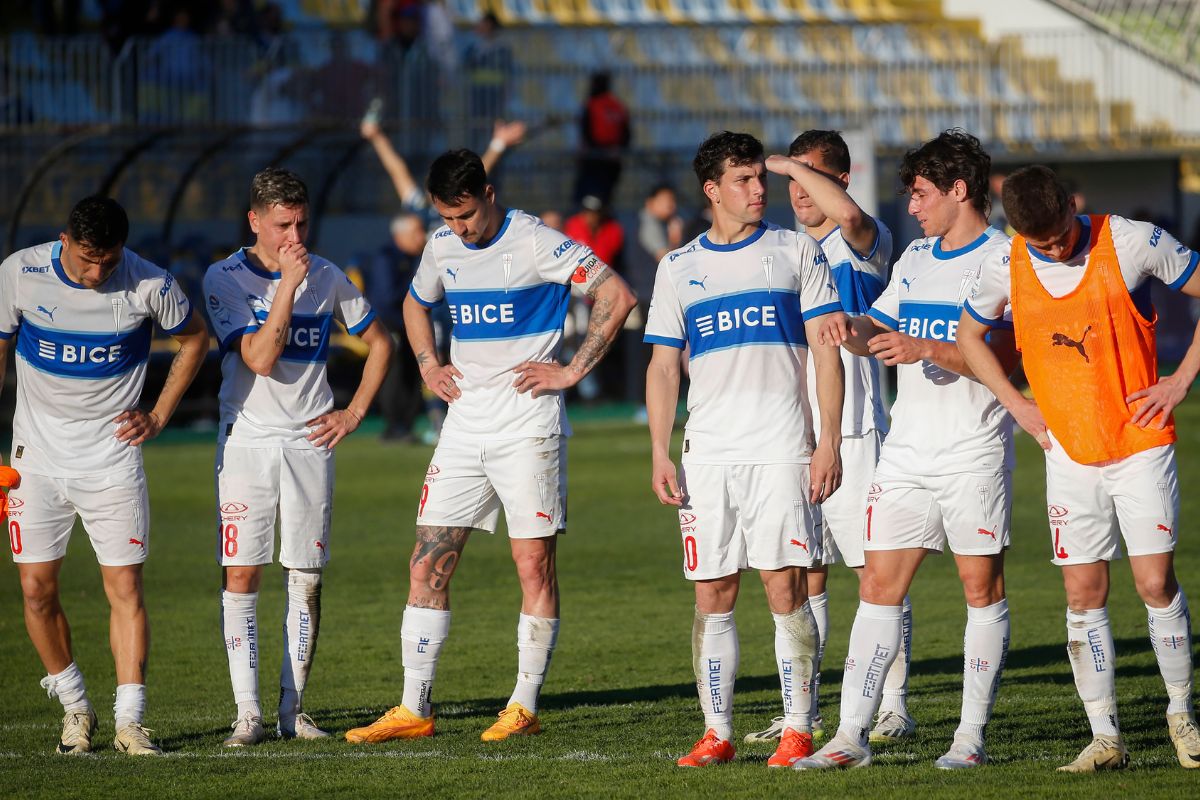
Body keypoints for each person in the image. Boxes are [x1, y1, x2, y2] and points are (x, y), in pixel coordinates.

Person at [346, 148, 636, 744]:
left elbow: (616, 295)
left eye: (467, 215)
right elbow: (414, 303)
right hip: (463, 427)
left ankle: (524, 704)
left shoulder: (535, 242)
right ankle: (413, 708)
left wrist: (571, 371)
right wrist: (428, 363)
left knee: (532, 564)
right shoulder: (441, 246)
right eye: (448, 218)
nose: (459, 228)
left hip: (528, 428)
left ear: (490, 193)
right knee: (426, 561)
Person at [957, 164, 1200, 772]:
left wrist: (1180, 380)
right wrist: (1016, 405)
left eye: (1063, 232)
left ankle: (1180, 713)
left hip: (1140, 443)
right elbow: (968, 335)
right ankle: (1106, 738)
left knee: (1153, 584)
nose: (1057, 248)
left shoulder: (1131, 240)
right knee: (1083, 593)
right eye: (1042, 243)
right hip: (1066, 453)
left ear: (1074, 202)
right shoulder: (1004, 263)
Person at [796, 129, 1016, 771]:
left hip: (974, 450)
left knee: (982, 589)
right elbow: (880, 325)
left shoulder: (1006, 260)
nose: (912, 206)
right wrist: (850, 326)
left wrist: (929, 350)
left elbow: (1011, 361)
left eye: (921, 194)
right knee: (878, 588)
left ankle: (969, 738)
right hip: (907, 453)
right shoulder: (917, 256)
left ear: (958, 190)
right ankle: (850, 737)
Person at [645, 131, 846, 768]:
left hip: (783, 448)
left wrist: (828, 440)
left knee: (784, 586)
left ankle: (797, 727)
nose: (760, 190)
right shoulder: (678, 267)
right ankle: (718, 730)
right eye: (744, 180)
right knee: (712, 592)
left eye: (761, 178)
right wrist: (660, 449)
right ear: (712, 190)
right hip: (707, 455)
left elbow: (825, 350)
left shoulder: (793, 251)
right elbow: (662, 368)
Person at [0, 196, 208, 755]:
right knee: (35, 589)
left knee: (125, 588)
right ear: (65, 240)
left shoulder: (150, 284)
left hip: (112, 460)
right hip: (35, 460)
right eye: (88, 260)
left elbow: (194, 338)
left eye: (109, 262)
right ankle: (75, 709)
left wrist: (159, 414)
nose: (98, 274)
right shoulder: (19, 272)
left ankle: (130, 722)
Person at [203, 167, 392, 747]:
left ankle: (293, 709)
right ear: (255, 220)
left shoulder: (330, 277)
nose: (295, 236)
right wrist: (286, 284)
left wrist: (354, 412)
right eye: (283, 224)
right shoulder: (225, 278)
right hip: (249, 441)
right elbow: (259, 358)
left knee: (306, 578)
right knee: (243, 573)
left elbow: (381, 342)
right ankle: (247, 714)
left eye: (302, 223)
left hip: (310, 443)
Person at [745, 130, 899, 746]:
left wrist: (784, 162)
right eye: (790, 180)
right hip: (789, 431)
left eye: (812, 177)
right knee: (803, 572)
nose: (797, 190)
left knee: (874, 572)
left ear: (839, 179)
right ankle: (801, 710)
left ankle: (893, 703)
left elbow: (851, 215)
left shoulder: (864, 239)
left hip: (855, 430)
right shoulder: (779, 251)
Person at [365, 212, 426, 442]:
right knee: (394, 374)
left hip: (409, 327)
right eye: (416, 233)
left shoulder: (416, 258)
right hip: (390, 326)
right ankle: (394, 425)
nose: (422, 238)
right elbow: (385, 297)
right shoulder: (386, 258)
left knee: (412, 373)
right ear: (401, 235)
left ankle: (407, 425)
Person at [624, 184, 683, 413]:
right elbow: (666, 259)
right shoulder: (650, 224)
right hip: (648, 296)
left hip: (647, 294)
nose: (671, 205)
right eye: (666, 200)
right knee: (651, 354)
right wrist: (675, 238)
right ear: (651, 202)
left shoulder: (651, 222)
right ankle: (645, 404)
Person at [573, 72, 630, 206]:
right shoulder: (617, 106)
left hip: (594, 158)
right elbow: (627, 133)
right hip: (613, 159)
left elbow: (586, 131)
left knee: (586, 197)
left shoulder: (592, 104)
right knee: (606, 197)